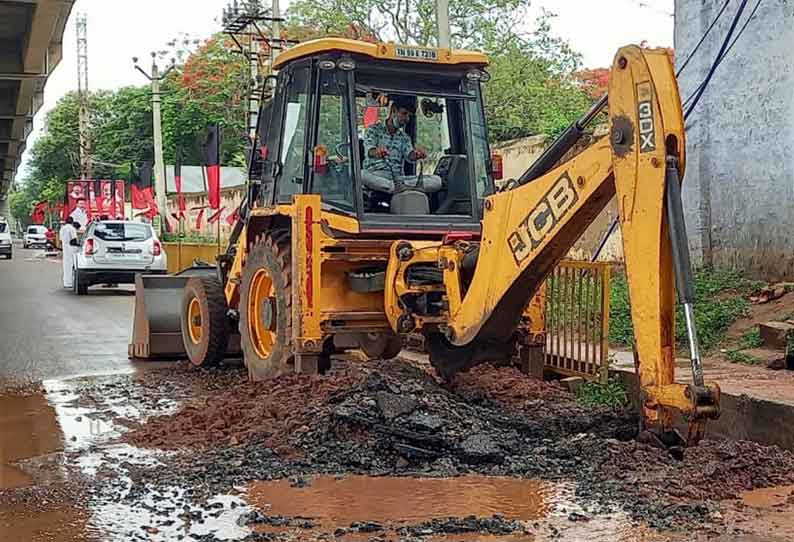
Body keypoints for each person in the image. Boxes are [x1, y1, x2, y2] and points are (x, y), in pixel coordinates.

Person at [361, 96, 442, 195]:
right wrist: (377, 152)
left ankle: (395, 187)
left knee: (436, 181)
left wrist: (416, 155)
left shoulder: (404, 137)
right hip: (376, 175)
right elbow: (369, 151)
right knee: (360, 174)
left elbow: (409, 155)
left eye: (409, 116)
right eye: (404, 114)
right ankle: (396, 187)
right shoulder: (373, 130)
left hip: (399, 178)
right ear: (393, 111)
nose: (407, 119)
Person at [59, 217, 78, 288]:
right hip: (72, 250)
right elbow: (74, 240)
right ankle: (71, 283)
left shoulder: (62, 229)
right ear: (72, 222)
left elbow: (61, 240)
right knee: (72, 266)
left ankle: (66, 283)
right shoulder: (72, 229)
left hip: (65, 249)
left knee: (66, 266)